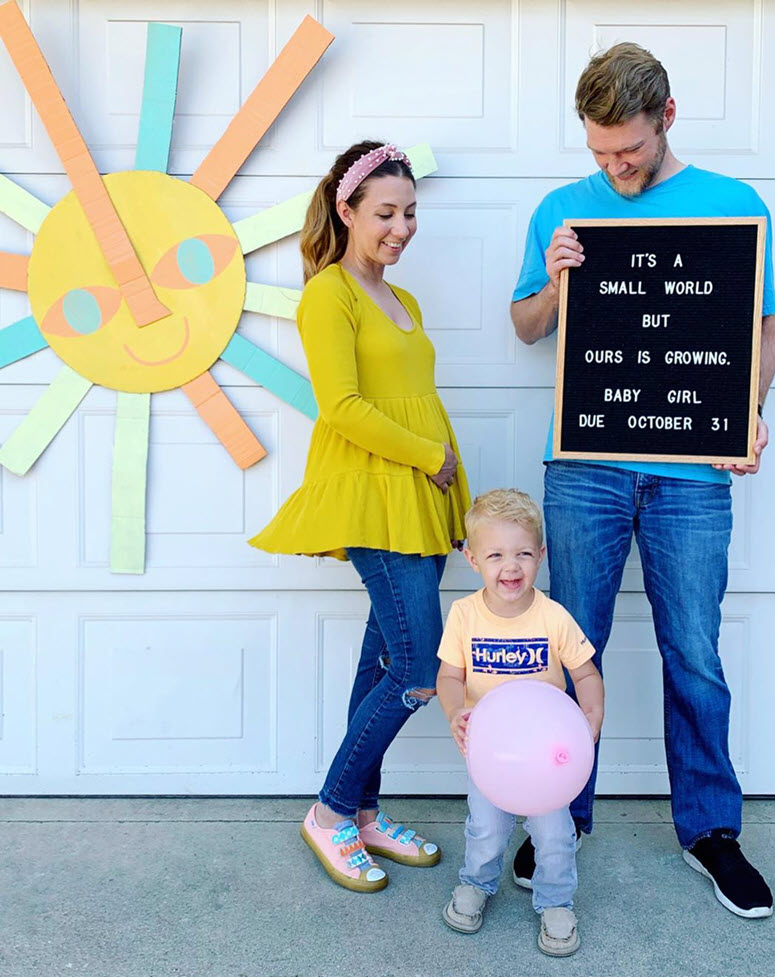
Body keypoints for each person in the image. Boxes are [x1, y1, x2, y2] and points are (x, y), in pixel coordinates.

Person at [509, 43, 775, 918]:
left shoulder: (734, 207)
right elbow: (524, 328)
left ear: (667, 116)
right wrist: (553, 284)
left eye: (627, 150)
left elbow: (762, 330)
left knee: (694, 655)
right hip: (584, 468)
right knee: (567, 645)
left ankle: (712, 831)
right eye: (599, 152)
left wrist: (748, 413)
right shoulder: (562, 209)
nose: (614, 167)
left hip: (692, 477)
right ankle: (558, 815)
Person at [249, 141, 471, 892]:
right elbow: (341, 407)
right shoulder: (328, 295)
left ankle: (365, 812)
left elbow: (422, 404)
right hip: (374, 495)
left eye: (410, 212)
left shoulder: (402, 301)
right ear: (345, 211)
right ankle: (330, 809)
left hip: (419, 496)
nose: (402, 227)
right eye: (385, 212)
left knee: (382, 659)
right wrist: (427, 456)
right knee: (415, 667)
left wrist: (453, 491)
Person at [436, 489, 604, 956]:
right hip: (490, 756)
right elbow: (449, 675)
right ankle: (476, 883)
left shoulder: (553, 617)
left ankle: (555, 901)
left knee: (554, 834)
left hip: (547, 760)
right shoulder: (465, 615)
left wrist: (590, 715)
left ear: (541, 556)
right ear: (472, 559)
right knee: (485, 828)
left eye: (523, 554)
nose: (510, 567)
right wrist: (454, 711)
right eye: (495, 555)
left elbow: (586, 672)